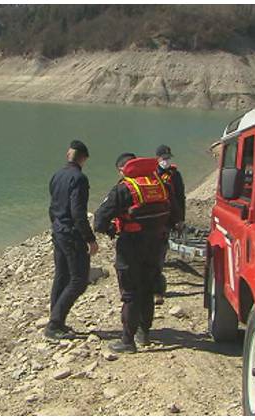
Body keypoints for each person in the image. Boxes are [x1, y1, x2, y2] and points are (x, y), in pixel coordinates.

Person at [94, 153, 179, 353]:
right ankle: (144, 333)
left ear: (124, 169)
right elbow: (174, 214)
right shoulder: (160, 184)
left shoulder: (124, 188)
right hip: (156, 244)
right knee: (148, 288)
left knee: (130, 292)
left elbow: (99, 221)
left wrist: (111, 229)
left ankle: (127, 340)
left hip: (131, 245)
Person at [46, 140, 98, 340]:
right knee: (78, 280)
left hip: (58, 230)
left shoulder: (57, 175)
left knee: (62, 275)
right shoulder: (79, 178)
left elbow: (52, 206)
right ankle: (55, 323)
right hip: (70, 233)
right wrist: (90, 238)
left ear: (68, 155)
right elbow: (78, 212)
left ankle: (56, 319)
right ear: (83, 158)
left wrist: (56, 226)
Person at [154, 145, 185, 305]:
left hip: (166, 220)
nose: (166, 161)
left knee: (159, 256)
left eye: (168, 158)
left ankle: (157, 291)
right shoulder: (151, 174)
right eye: (163, 158)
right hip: (151, 220)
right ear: (157, 158)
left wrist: (180, 220)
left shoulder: (174, 175)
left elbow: (180, 198)